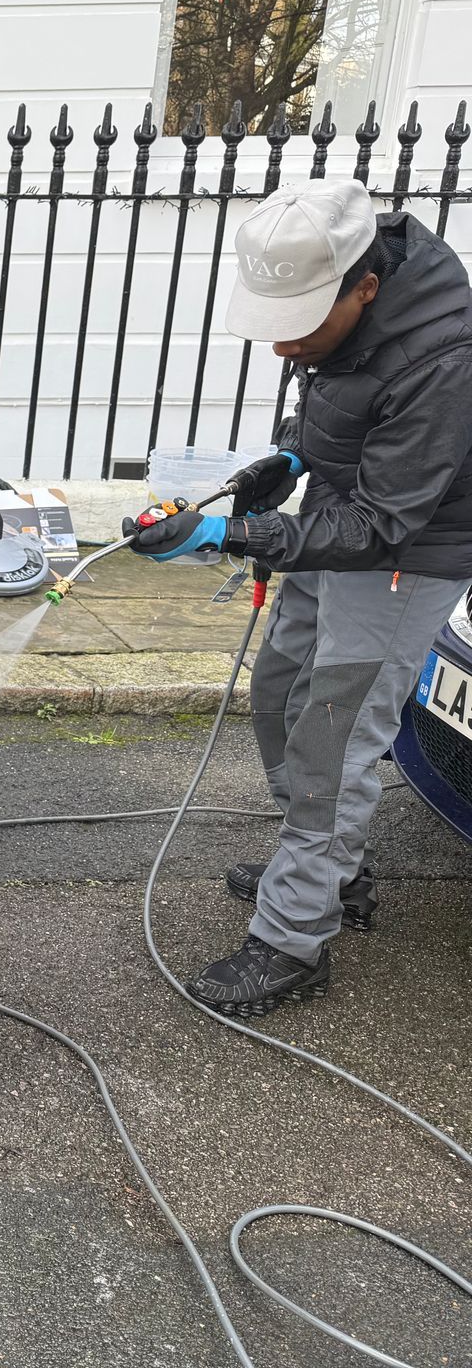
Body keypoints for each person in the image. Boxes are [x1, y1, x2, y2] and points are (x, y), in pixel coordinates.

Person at [126, 178, 472, 1015]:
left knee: (334, 741)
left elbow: (387, 522)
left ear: (364, 285)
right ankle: (329, 868)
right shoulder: (353, 318)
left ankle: (292, 941)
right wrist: (286, 457)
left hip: (402, 558)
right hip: (336, 520)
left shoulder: (443, 357)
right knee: (279, 690)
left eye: (302, 326)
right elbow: (346, 403)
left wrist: (232, 537)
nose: (286, 348)